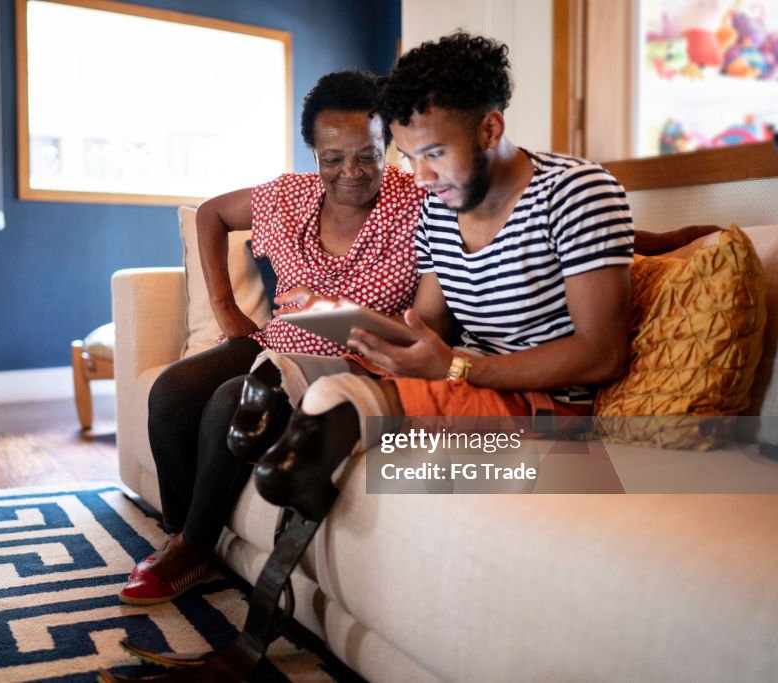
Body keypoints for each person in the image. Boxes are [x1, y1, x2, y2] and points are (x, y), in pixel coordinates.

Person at [251, 31, 636, 508]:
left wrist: (456, 368)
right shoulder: (439, 210)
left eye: (433, 153)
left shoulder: (577, 193)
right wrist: (345, 318)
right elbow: (428, 322)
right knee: (281, 380)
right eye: (410, 157)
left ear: (490, 130)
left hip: (547, 402)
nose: (420, 178)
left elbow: (602, 355)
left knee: (330, 415)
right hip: (464, 372)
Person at [118, 70, 426, 605]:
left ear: (388, 146)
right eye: (332, 159)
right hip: (276, 340)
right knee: (171, 392)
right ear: (313, 154)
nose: (350, 172)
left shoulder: (419, 205)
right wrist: (224, 306)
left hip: (354, 361)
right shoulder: (289, 196)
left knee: (229, 403)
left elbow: (424, 326)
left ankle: (191, 550)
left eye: (367, 155)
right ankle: (184, 531)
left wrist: (328, 314)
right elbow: (211, 213)